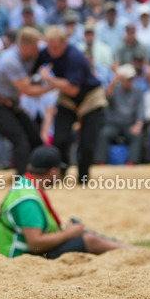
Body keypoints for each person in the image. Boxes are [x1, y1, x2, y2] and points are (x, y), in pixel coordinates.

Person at [0, 146, 150, 259]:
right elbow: (36, 243)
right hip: (23, 259)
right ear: (53, 172)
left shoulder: (25, 187)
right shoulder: (27, 199)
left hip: (27, 254)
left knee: (86, 236)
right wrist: (68, 233)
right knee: (88, 239)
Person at [0, 27, 57, 175]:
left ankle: (44, 172)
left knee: (34, 136)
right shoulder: (10, 61)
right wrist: (54, 85)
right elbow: (29, 91)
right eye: (35, 48)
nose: (37, 51)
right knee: (19, 139)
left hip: (9, 102)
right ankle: (23, 178)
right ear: (25, 46)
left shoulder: (29, 54)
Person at [35, 26, 107, 184]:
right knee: (59, 139)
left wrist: (49, 78)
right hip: (67, 98)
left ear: (64, 43)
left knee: (87, 144)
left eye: (56, 47)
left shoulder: (75, 57)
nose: (52, 51)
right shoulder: (46, 52)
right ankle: (60, 171)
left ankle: (83, 178)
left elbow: (73, 89)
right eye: (50, 46)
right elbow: (35, 66)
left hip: (90, 98)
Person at [94, 64, 145, 165]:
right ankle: (101, 162)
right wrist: (115, 80)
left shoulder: (138, 92)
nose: (130, 81)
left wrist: (138, 125)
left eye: (131, 79)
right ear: (122, 79)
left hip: (129, 125)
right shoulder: (114, 89)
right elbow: (107, 96)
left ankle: (132, 162)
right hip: (113, 124)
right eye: (127, 79)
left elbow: (140, 112)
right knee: (104, 134)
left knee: (137, 135)